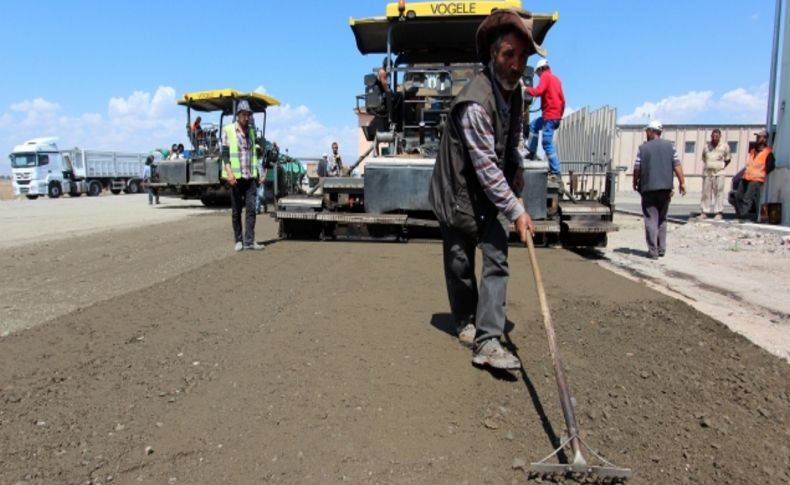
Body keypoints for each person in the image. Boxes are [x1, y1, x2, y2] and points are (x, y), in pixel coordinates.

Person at [429, 8, 540, 370]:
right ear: (493, 54)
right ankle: (465, 320)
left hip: (486, 194)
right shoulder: (475, 104)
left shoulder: (515, 92)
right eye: (509, 54)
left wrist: (519, 165)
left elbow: (511, 141)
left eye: (523, 56)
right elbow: (487, 170)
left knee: (496, 258)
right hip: (457, 193)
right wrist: (517, 210)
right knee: (460, 263)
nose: (516, 64)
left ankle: (487, 340)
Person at [632, 120, 686, 259]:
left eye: (647, 131)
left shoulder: (643, 149)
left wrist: (635, 182)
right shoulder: (670, 147)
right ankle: (661, 249)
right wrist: (682, 182)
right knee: (662, 219)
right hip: (666, 189)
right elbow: (677, 165)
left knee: (651, 218)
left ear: (651, 131)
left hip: (648, 188)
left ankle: (653, 251)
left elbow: (637, 168)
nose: (646, 134)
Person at [222, 100, 264, 251]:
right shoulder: (229, 130)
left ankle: (249, 241)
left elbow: (254, 155)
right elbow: (225, 155)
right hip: (236, 178)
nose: (247, 118)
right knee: (236, 211)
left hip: (250, 177)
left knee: (252, 209)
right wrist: (230, 173)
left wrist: (258, 174)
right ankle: (238, 240)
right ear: (238, 115)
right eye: (244, 115)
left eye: (249, 115)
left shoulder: (251, 131)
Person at [524, 58, 565, 178]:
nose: (538, 76)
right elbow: (563, 100)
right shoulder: (556, 79)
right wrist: (559, 116)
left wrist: (525, 89)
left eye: (537, 73)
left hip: (550, 115)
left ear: (541, 69)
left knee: (546, 142)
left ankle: (556, 171)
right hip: (554, 115)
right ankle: (531, 153)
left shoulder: (546, 77)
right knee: (533, 126)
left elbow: (539, 91)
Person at [736, 128, 775, 222]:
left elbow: (771, 166)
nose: (757, 138)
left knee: (747, 198)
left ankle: (743, 217)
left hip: (757, 179)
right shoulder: (753, 150)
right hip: (746, 177)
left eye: (759, 137)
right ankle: (752, 217)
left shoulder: (768, 152)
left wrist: (762, 173)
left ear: (765, 139)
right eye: (757, 136)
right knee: (738, 196)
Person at [699, 128, 731, 220]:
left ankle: (719, 212)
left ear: (720, 137)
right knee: (706, 193)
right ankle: (705, 212)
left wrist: (721, 166)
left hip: (719, 172)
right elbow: (704, 157)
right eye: (713, 136)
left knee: (719, 192)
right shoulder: (706, 146)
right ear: (711, 136)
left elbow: (728, 158)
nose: (714, 138)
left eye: (717, 136)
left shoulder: (724, 146)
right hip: (708, 173)